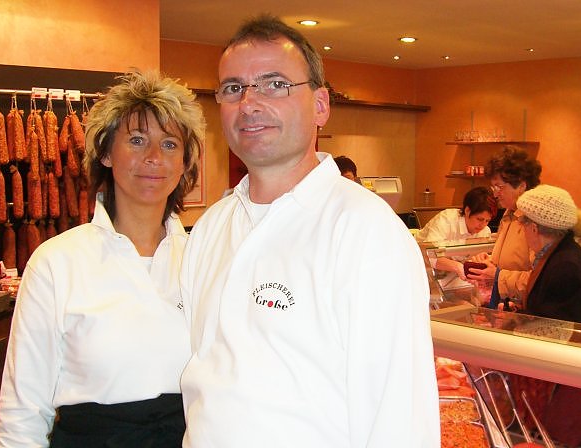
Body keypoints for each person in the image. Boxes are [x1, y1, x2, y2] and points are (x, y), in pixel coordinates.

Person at [179, 14, 440, 447]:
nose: (249, 103)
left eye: (274, 84)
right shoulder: (211, 228)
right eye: (233, 88)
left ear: (320, 106)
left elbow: (398, 414)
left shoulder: (366, 231)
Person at [0, 71, 205, 446]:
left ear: (185, 162)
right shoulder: (56, 262)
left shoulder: (203, 259)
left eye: (170, 144)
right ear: (105, 153)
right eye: (137, 140)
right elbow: (23, 410)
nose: (154, 157)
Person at [516, 184, 581, 326]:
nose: (522, 233)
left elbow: (553, 326)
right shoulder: (560, 253)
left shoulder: (565, 266)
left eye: (523, 227)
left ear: (533, 229)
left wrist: (516, 321)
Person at [467, 145, 542, 310]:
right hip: (504, 304)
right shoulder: (508, 216)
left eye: (499, 187)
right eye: (493, 187)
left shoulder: (533, 222)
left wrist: (497, 275)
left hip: (524, 309)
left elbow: (539, 280)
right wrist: (490, 261)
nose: (495, 194)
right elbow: (512, 261)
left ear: (521, 186)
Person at [416, 186, 497, 278]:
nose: (483, 225)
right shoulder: (446, 220)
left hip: (449, 276)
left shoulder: (485, 232)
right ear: (467, 210)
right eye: (479, 219)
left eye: (487, 221)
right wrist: (457, 267)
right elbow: (428, 255)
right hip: (419, 267)